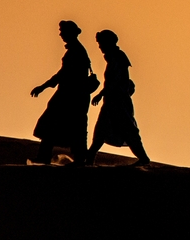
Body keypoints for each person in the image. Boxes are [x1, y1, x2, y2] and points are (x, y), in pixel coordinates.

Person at [30, 20, 94, 165]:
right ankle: (48, 156)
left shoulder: (76, 51)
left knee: (55, 125)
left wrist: (43, 86)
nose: (60, 34)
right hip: (72, 95)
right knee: (71, 127)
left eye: (63, 31)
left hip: (70, 96)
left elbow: (64, 74)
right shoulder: (75, 50)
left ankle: (48, 156)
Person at [86, 30, 151, 166]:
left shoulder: (118, 58)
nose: (100, 46)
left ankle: (143, 158)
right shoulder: (114, 58)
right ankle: (90, 157)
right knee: (101, 130)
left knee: (128, 130)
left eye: (101, 43)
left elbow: (115, 81)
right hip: (111, 101)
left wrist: (101, 93)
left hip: (118, 102)